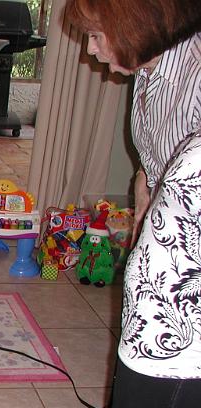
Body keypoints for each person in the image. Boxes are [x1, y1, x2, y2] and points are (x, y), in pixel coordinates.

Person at [64, 0, 201, 408]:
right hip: (160, 293)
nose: (91, 49)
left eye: (97, 35)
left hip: (183, 324)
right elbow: (155, 157)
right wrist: (145, 194)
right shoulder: (149, 69)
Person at [66, 0, 201, 242]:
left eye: (95, 36)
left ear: (133, 27)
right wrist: (144, 175)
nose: (90, 49)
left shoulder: (196, 76)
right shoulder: (145, 66)